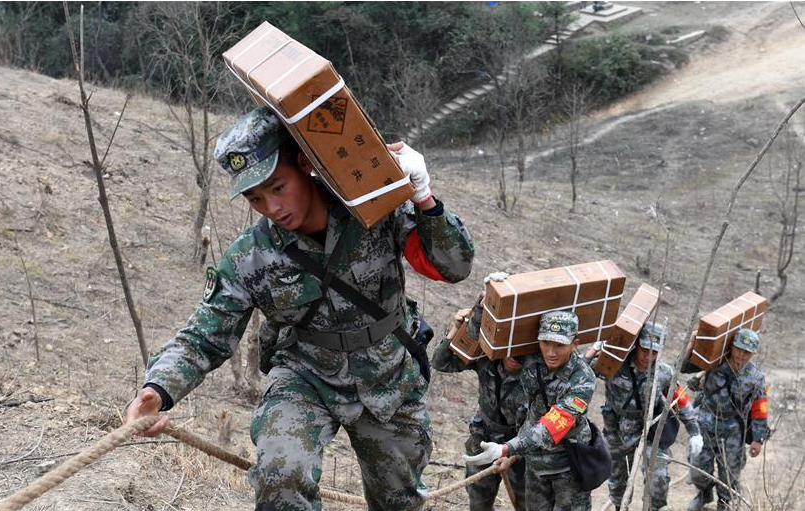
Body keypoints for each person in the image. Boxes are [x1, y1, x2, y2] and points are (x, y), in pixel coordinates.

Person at [124, 106, 475, 511]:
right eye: (256, 198)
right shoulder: (250, 256)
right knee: (282, 473)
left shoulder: (373, 209)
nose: (272, 207)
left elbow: (454, 266)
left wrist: (423, 197)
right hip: (306, 376)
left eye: (277, 187)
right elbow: (204, 336)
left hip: (388, 378)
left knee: (399, 502)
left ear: (305, 164)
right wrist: (158, 389)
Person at [464, 310, 597, 511]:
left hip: (568, 464)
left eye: (559, 345)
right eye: (546, 343)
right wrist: (481, 307)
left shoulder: (583, 379)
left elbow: (553, 424)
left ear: (574, 344)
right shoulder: (532, 358)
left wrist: (507, 448)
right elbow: (484, 340)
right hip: (535, 462)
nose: (551, 352)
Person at [584, 323, 704, 511]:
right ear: (636, 345)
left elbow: (680, 400)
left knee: (659, 477)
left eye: (654, 352)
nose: (648, 357)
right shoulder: (615, 363)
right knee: (618, 481)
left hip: (651, 433)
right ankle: (620, 507)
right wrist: (597, 349)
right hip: (617, 433)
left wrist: (694, 431)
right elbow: (581, 372)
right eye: (644, 350)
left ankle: (653, 508)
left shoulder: (663, 372)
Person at [431, 300, 526, 511]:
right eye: (511, 350)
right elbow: (441, 362)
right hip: (483, 438)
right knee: (479, 503)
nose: (515, 358)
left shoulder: (537, 370)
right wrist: (458, 328)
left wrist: (512, 454)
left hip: (523, 447)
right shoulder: (487, 356)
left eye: (521, 354)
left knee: (528, 504)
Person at [682, 329, 769, 511]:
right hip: (705, 420)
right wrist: (692, 344)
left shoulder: (756, 377)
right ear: (731, 347)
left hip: (733, 428)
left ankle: (724, 502)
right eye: (738, 349)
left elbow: (759, 408)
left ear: (753, 354)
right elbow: (684, 366)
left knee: (730, 472)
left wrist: (758, 438)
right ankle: (704, 492)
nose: (741, 355)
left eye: (747, 352)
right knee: (697, 467)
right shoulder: (714, 362)